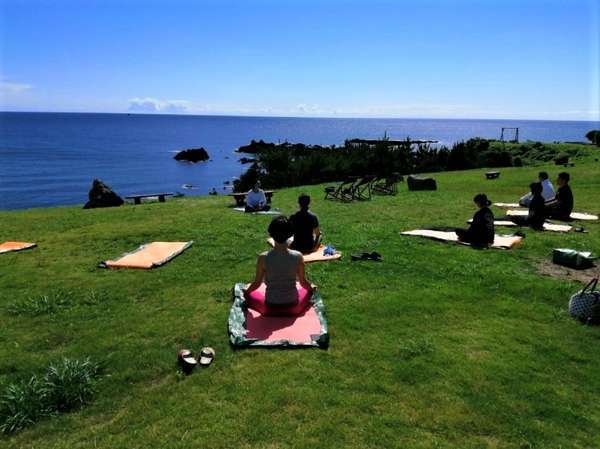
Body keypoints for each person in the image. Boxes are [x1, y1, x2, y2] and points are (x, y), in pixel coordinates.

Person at [244, 216, 314, 307]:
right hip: (292, 300)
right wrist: (312, 289)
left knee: (252, 295)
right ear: (290, 235)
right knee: (306, 291)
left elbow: (257, 283)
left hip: (271, 301)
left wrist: (246, 292)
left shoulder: (263, 258)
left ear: (271, 234)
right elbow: (303, 282)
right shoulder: (298, 256)